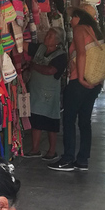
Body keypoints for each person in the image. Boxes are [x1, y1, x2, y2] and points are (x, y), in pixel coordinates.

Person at [48, 5, 104, 172]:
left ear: (80, 17)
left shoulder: (80, 29)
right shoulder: (96, 32)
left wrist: (79, 78)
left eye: (73, 17)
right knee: (85, 121)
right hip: (94, 83)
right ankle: (82, 160)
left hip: (80, 82)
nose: (71, 20)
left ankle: (68, 158)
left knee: (69, 120)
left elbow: (81, 54)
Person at [24, 28, 67, 160]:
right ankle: (35, 149)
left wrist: (34, 65)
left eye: (51, 35)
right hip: (36, 92)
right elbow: (24, 46)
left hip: (49, 95)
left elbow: (50, 70)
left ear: (57, 41)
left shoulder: (61, 55)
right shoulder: (40, 48)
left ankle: (51, 151)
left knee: (50, 123)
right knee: (36, 121)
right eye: (47, 34)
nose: (47, 36)